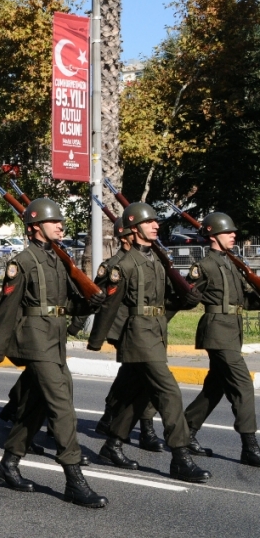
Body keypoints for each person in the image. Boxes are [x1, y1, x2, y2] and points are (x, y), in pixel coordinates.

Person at [0, 198, 107, 507]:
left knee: (35, 405)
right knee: (62, 403)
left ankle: (9, 462)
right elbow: (7, 307)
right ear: (34, 228)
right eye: (53, 221)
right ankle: (73, 477)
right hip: (35, 339)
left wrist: (89, 304)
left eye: (60, 221)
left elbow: (67, 303)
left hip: (55, 340)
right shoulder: (23, 261)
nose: (60, 225)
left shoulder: (58, 260)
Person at [93, 202, 210, 483]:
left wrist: (186, 299)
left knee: (138, 396)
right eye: (149, 222)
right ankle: (180, 457)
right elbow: (110, 305)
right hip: (138, 336)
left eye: (156, 222)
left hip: (156, 334)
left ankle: (112, 446)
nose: (156, 225)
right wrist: (96, 340)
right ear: (133, 230)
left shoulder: (156, 261)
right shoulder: (122, 265)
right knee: (169, 392)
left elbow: (165, 300)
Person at [183, 212, 260, 466]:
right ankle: (250, 447)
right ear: (214, 236)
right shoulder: (204, 266)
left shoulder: (232, 264)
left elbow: (243, 301)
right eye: (229, 232)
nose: (234, 235)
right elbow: (187, 294)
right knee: (243, 385)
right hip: (217, 332)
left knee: (215, 387)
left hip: (232, 330)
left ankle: (185, 431)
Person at [85, 220, 163, 452]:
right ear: (125, 236)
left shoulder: (150, 260)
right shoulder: (115, 265)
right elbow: (97, 297)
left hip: (143, 327)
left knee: (132, 375)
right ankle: (146, 430)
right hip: (122, 327)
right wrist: (81, 325)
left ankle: (110, 417)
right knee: (145, 376)